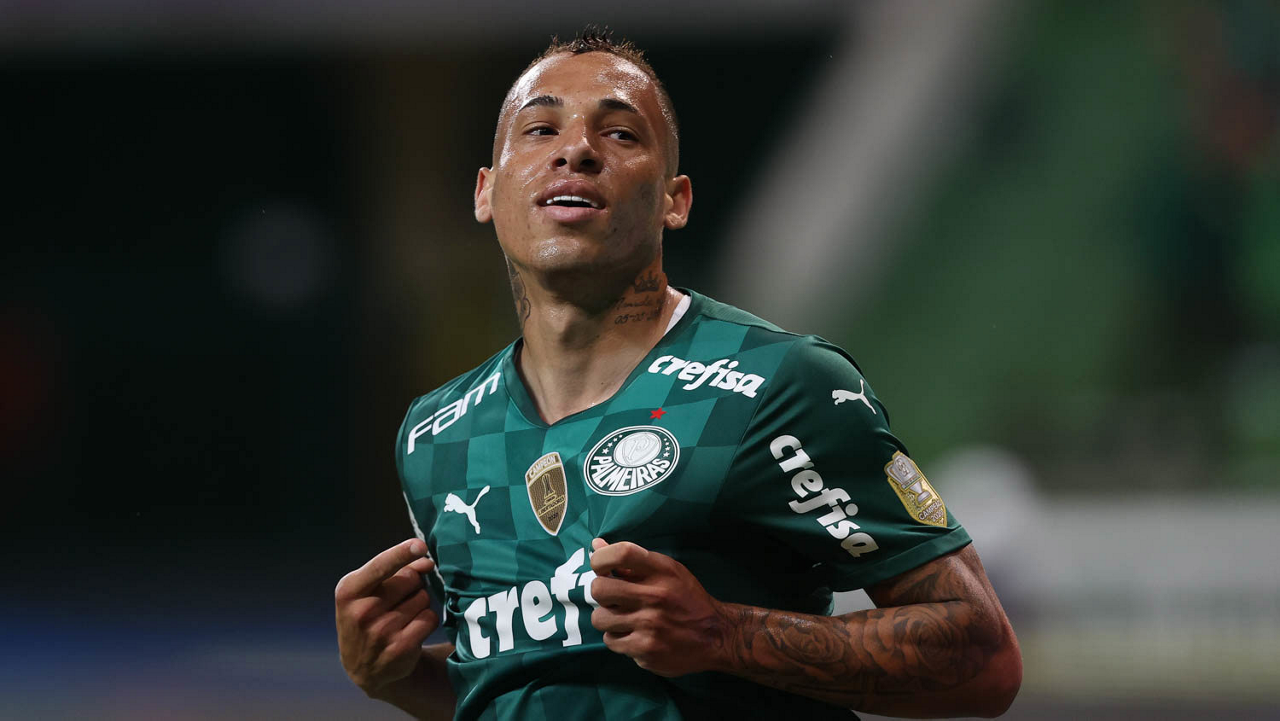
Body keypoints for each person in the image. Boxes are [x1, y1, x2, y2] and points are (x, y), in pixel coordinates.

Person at [336, 28, 1022, 720]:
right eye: (540, 129)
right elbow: (519, 687)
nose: (576, 150)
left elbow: (983, 658)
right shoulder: (436, 435)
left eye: (620, 134)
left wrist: (725, 634)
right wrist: (396, 677)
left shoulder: (779, 385)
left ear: (675, 200)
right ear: (486, 191)